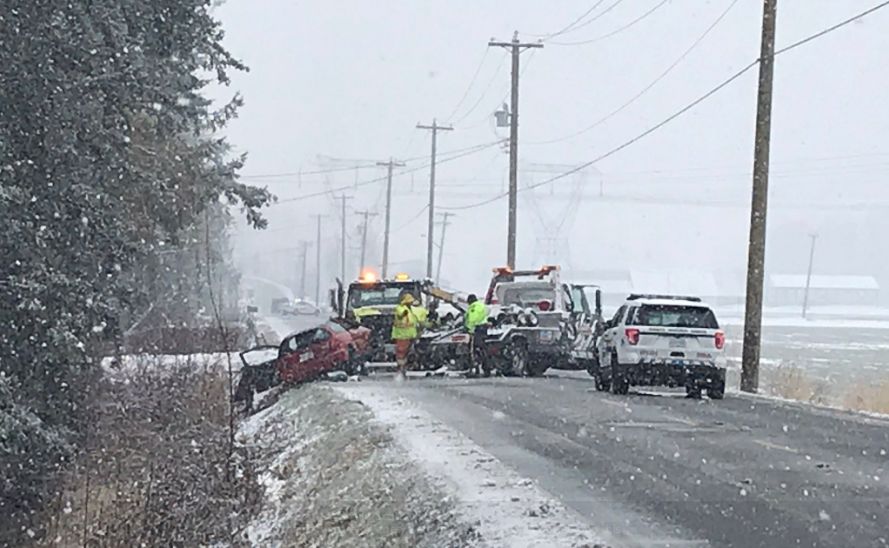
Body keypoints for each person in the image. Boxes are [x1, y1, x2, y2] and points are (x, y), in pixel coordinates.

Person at [391, 292, 419, 377]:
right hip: (402, 336)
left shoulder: (410, 310)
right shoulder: (400, 308)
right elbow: (401, 314)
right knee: (401, 354)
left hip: (410, 336)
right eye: (410, 302)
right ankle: (400, 369)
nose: (411, 303)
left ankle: (404, 368)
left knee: (407, 354)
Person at [464, 294, 489, 376]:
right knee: (482, 348)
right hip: (484, 328)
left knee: (473, 349)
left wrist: (469, 329)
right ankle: (486, 368)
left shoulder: (473, 307)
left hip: (476, 329)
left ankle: (474, 368)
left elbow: (472, 319)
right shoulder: (482, 305)